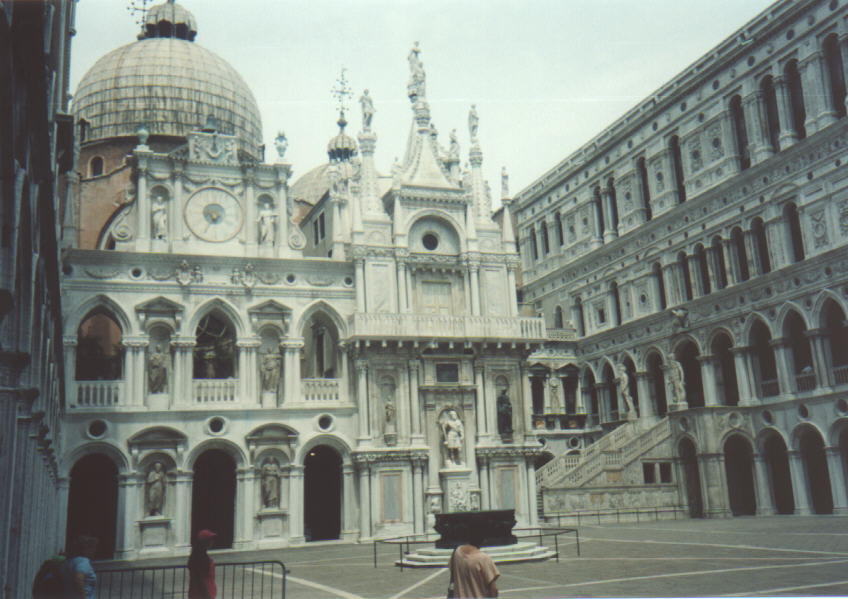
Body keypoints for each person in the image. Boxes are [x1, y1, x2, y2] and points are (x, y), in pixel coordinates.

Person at [448, 528, 499, 599]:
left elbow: (452, 576)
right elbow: (492, 588)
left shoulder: (456, 552)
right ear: (483, 540)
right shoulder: (484, 558)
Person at [188, 529, 217, 599]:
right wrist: (208, 596)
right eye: (210, 539)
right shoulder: (202, 558)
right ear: (204, 542)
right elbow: (202, 579)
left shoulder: (196, 555)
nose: (212, 542)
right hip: (203, 594)